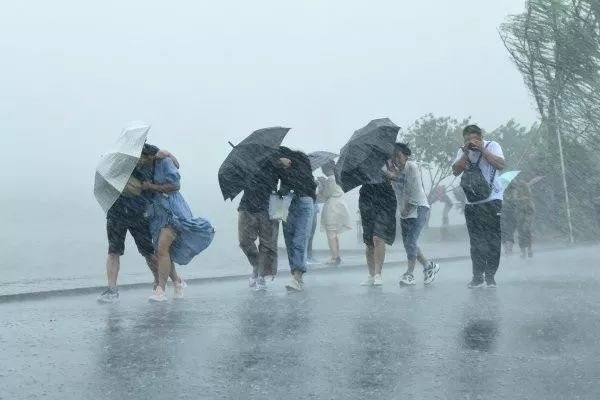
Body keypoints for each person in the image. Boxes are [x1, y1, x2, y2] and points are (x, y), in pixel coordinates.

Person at [98, 147, 180, 303]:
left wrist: (170, 155)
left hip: (139, 212)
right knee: (114, 250)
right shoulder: (121, 161)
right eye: (147, 158)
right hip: (118, 211)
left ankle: (159, 282)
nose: (148, 160)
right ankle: (112, 289)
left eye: (150, 158)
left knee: (148, 252)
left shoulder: (149, 157)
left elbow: (166, 158)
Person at [139, 144, 215, 302]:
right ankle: (177, 282)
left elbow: (175, 185)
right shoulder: (143, 168)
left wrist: (151, 186)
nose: (139, 162)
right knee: (164, 252)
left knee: (162, 248)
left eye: (141, 158)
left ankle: (160, 290)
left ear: (150, 156)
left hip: (172, 211)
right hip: (156, 213)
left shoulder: (164, 162)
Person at [452, 125, 505, 288]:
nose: (471, 142)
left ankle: (490, 275)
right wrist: (466, 153)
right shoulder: (463, 151)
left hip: (492, 200)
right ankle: (477, 276)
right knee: (476, 242)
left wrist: (482, 150)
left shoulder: (492, 145)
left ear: (481, 137)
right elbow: (455, 171)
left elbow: (501, 165)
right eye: (467, 140)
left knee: (492, 240)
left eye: (474, 139)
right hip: (472, 203)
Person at [389, 143, 440, 286]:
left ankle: (409, 274)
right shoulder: (393, 171)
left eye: (398, 156)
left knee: (410, 242)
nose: (396, 160)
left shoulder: (411, 167)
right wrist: (392, 177)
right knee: (408, 244)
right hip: (404, 212)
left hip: (418, 208)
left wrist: (407, 208)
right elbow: (398, 192)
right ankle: (428, 266)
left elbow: (413, 190)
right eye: (393, 157)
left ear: (406, 156)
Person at [277, 147, 316, 292]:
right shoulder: (277, 164)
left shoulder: (301, 160)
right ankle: (295, 275)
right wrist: (278, 164)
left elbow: (304, 180)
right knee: (289, 240)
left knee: (299, 239)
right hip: (286, 202)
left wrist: (289, 167)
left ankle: (297, 276)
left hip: (304, 201)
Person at [238, 157, 280, 291]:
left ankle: (262, 275)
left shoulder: (276, 158)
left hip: (272, 204)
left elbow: (286, 181)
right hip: (247, 205)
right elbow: (239, 182)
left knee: (268, 244)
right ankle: (257, 265)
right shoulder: (245, 161)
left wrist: (279, 162)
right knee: (244, 241)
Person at [359, 159, 397, 286]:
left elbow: (397, 176)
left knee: (378, 237)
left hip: (384, 194)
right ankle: (371, 274)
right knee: (369, 240)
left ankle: (377, 274)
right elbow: (358, 176)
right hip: (367, 194)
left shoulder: (388, 157)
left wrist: (389, 174)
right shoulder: (362, 159)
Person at [316, 161, 351, 266]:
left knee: (331, 233)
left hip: (333, 207)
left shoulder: (331, 179)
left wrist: (321, 184)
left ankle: (334, 257)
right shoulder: (337, 178)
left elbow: (326, 194)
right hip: (338, 206)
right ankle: (336, 255)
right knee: (334, 233)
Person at [501, 177, 535, 258]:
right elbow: (514, 200)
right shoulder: (513, 192)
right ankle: (524, 252)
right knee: (522, 232)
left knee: (526, 231)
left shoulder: (524, 189)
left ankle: (528, 250)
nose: (514, 183)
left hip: (526, 212)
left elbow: (528, 202)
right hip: (519, 214)